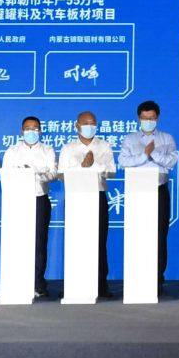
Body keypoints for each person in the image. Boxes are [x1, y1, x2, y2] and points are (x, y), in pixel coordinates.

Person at [118, 100, 179, 287]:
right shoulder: (130, 139)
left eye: (151, 118)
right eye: (145, 118)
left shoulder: (166, 138)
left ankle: (157, 278)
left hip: (159, 189)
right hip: (137, 191)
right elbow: (123, 162)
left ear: (157, 118)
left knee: (160, 234)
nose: (148, 121)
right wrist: (144, 155)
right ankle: (137, 277)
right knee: (137, 234)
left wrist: (154, 154)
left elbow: (172, 161)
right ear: (139, 118)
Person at [58, 110, 116, 295]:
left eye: (93, 123)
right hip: (76, 197)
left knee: (99, 240)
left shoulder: (104, 146)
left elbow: (111, 172)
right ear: (77, 126)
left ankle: (100, 284)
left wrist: (93, 165)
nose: (89, 127)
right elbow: (61, 175)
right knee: (76, 240)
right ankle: (74, 284)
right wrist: (81, 166)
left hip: (97, 195)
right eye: (85, 123)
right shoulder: (68, 148)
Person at [2, 115, 57, 298]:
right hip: (17, 200)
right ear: (21, 131)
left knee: (39, 242)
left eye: (34, 129)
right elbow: (6, 174)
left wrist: (34, 172)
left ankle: (38, 284)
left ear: (40, 131)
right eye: (27, 128)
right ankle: (17, 281)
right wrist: (21, 173)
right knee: (18, 240)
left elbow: (53, 174)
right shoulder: (12, 151)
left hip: (39, 198)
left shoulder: (47, 150)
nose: (31, 132)